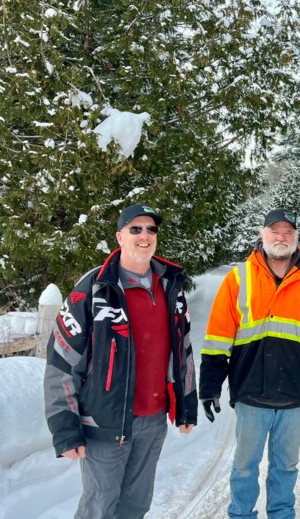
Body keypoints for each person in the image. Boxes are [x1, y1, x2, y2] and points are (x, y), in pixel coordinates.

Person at [43, 203, 198, 519]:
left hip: (153, 422)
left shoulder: (171, 286)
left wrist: (186, 404)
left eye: (151, 229)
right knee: (99, 506)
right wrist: (64, 426)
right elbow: (61, 359)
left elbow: (183, 351)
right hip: (104, 423)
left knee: (136, 506)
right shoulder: (94, 288)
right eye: (135, 229)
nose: (144, 235)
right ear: (120, 237)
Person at [199, 208, 300, 519]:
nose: (281, 237)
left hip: (295, 394)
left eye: (288, 232)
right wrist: (209, 386)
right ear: (262, 235)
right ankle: (241, 514)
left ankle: (281, 514)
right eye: (274, 231)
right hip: (251, 392)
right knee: (244, 466)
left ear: (296, 238)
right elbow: (217, 337)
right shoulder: (238, 278)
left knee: (286, 466)